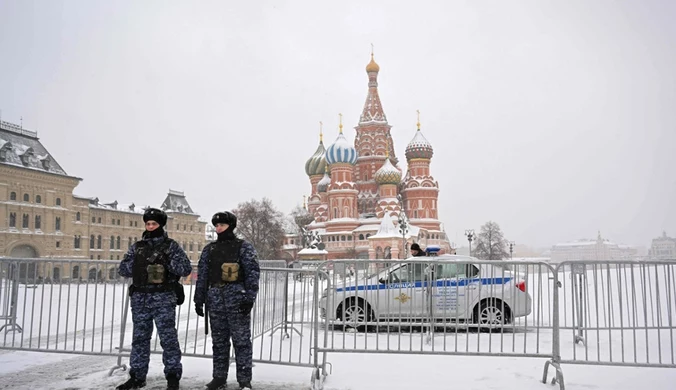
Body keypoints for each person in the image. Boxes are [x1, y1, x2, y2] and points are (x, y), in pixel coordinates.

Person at [116, 208, 192, 390]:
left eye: (154, 224)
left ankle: (173, 377)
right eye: (148, 223)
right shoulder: (138, 247)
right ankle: (137, 376)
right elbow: (123, 269)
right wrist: (137, 264)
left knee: (168, 339)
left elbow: (185, 269)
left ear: (161, 225)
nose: (150, 227)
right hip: (141, 298)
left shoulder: (170, 246)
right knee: (140, 339)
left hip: (163, 298)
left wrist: (166, 261)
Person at [194, 211, 260, 390]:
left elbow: (252, 274)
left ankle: (244, 379)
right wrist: (199, 298)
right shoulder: (210, 249)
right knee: (219, 341)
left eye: (221, 225)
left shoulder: (243, 247)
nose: (218, 228)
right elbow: (203, 276)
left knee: (241, 341)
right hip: (215, 298)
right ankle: (219, 377)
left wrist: (249, 297)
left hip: (237, 298)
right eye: (216, 225)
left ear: (230, 226)